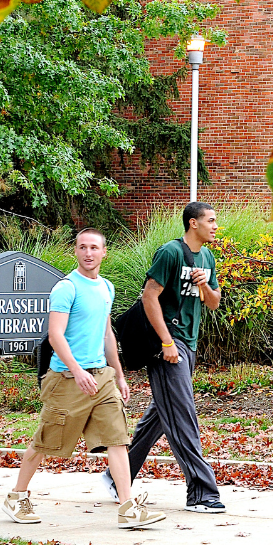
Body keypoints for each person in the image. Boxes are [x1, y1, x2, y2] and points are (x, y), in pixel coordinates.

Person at [3, 229, 166, 530]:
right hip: (66, 378)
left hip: (101, 377)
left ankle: (128, 508)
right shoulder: (66, 288)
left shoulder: (106, 287)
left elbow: (107, 334)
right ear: (75, 251)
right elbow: (56, 335)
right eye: (82, 247)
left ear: (104, 253)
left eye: (94, 248)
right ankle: (17, 496)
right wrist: (77, 371)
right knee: (45, 443)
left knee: (117, 439)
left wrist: (118, 374)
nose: (88, 253)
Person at [101, 202, 225, 513]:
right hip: (167, 346)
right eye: (210, 221)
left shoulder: (207, 256)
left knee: (162, 414)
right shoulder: (170, 252)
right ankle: (201, 492)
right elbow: (149, 296)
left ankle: (119, 476)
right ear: (193, 223)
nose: (215, 226)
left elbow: (214, 303)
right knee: (183, 415)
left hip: (189, 343)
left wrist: (203, 285)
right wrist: (167, 342)